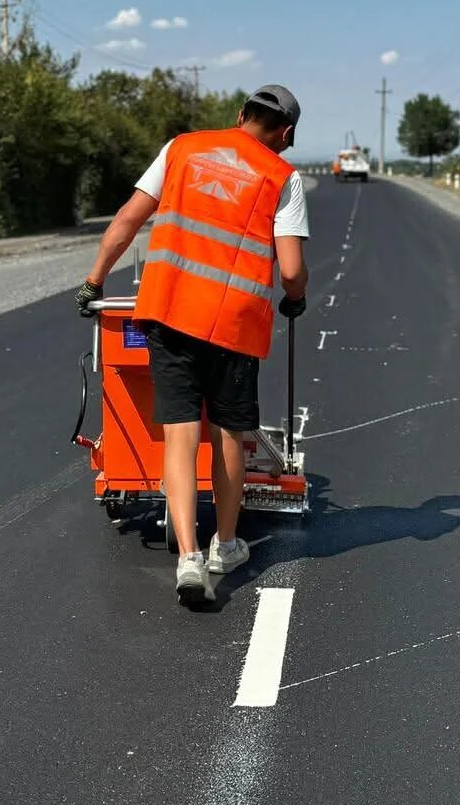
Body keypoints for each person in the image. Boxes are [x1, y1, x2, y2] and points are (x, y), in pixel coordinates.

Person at [75, 85, 308, 604]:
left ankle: (188, 557)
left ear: (240, 114)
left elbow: (128, 219)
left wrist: (94, 281)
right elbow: (290, 270)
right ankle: (225, 544)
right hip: (234, 327)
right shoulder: (282, 178)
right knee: (230, 434)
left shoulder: (181, 148)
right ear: (286, 134)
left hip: (170, 313)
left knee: (179, 435)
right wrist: (296, 298)